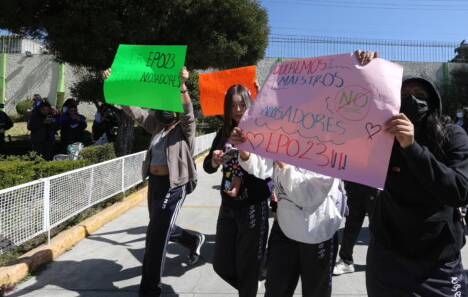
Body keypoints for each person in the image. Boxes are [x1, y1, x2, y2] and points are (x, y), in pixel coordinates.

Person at [355, 50, 468, 296]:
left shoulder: (452, 135)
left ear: (432, 102)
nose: (412, 100)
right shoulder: (379, 138)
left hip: (437, 257)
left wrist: (412, 148)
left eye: (420, 95)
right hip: (387, 255)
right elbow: (346, 113)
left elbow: (462, 191)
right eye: (404, 95)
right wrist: (363, 72)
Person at [102, 67, 204, 297]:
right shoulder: (156, 126)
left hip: (174, 185)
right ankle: (192, 239)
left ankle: (150, 290)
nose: (167, 110)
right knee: (160, 226)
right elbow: (134, 110)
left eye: (171, 106)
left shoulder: (184, 130)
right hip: (155, 184)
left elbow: (189, 113)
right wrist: (115, 84)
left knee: (155, 237)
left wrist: (181, 85)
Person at [229, 136, 344, 297]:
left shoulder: (328, 149)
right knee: (275, 290)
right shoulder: (285, 140)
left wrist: (280, 159)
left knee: (316, 291)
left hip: (317, 233)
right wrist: (244, 149)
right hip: (284, 230)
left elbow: (306, 196)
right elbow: (262, 167)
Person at [203, 84, 271, 297]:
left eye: (242, 104)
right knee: (221, 264)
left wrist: (242, 178)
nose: (238, 110)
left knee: (248, 267)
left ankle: (251, 283)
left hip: (253, 204)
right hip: (228, 206)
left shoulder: (259, 131)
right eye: (233, 106)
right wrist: (214, 161)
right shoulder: (223, 133)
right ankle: (252, 283)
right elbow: (207, 166)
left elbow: (265, 171)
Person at [333, 182, 379, 275]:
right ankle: (346, 261)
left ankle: (379, 263)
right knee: (351, 224)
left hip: (375, 182)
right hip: (355, 182)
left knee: (377, 229)